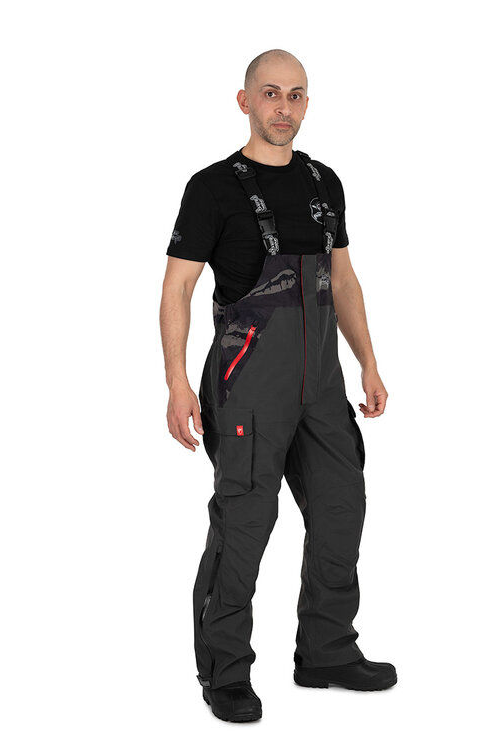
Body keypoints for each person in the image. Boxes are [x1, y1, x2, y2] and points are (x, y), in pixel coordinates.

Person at [160, 49, 397, 723]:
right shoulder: (212, 188)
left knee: (340, 510)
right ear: (245, 101)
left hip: (321, 386)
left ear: (306, 104)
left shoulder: (325, 182)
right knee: (244, 525)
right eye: (270, 93)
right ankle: (225, 671)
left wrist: (368, 363)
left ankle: (326, 650)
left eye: (295, 95)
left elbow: (342, 279)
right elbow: (177, 288)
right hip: (248, 389)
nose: (283, 107)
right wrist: (177, 384)